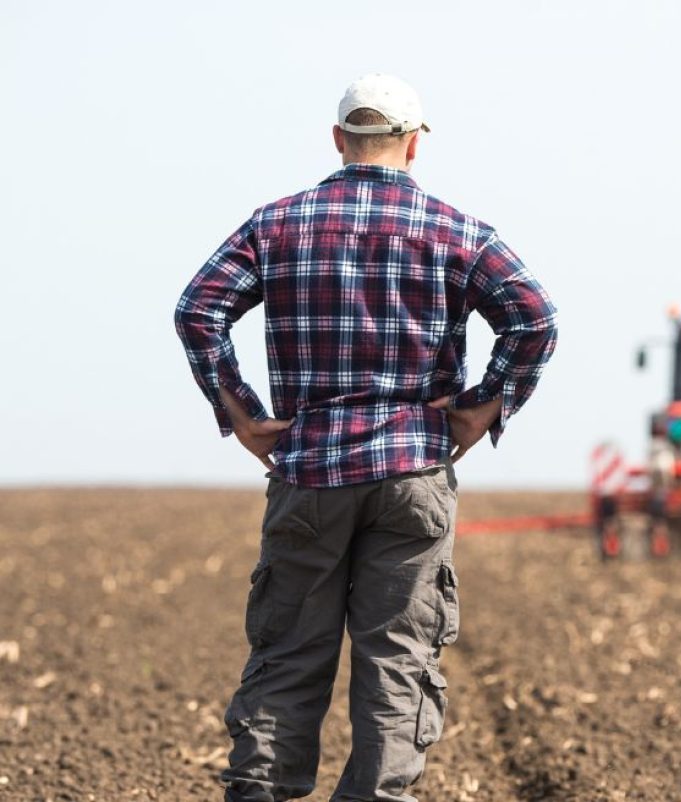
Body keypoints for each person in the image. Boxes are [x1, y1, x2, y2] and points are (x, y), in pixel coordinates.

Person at [174, 73, 558, 802]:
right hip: (413, 471)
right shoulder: (460, 231)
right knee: (399, 663)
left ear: (338, 140)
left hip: (309, 473)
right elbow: (534, 317)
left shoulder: (276, 224)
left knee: (287, 656)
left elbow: (198, 310)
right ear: (415, 144)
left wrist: (244, 414)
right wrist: (482, 410)